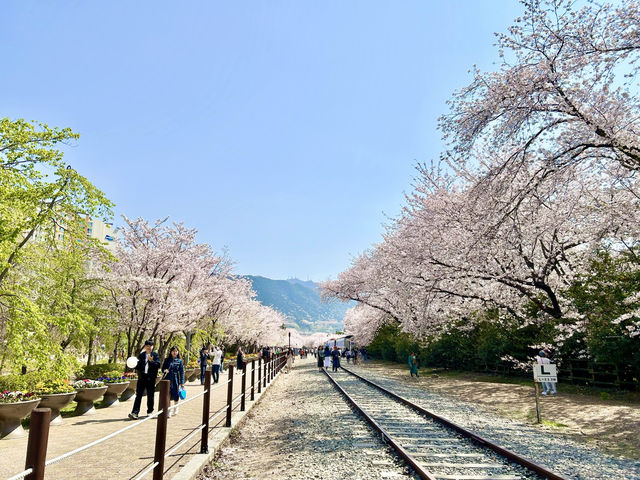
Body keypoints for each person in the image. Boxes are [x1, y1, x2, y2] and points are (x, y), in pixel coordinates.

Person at [129, 340, 161, 420]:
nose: (148, 347)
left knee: (150, 395)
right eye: (147, 346)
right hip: (142, 378)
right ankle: (135, 413)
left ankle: (150, 411)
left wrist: (152, 361)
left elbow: (158, 365)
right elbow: (138, 366)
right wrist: (134, 365)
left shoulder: (155, 355)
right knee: (138, 395)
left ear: (153, 347)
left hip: (151, 378)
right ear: (145, 347)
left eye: (150, 346)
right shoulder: (141, 355)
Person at [162, 346, 185, 417]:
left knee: (176, 395)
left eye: (176, 351)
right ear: (170, 352)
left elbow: (181, 372)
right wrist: (165, 370)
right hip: (167, 379)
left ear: (178, 352)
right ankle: (168, 410)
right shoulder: (167, 360)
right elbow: (163, 368)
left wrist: (182, 382)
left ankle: (176, 408)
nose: (175, 352)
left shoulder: (179, 361)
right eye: (173, 351)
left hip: (175, 380)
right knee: (168, 395)